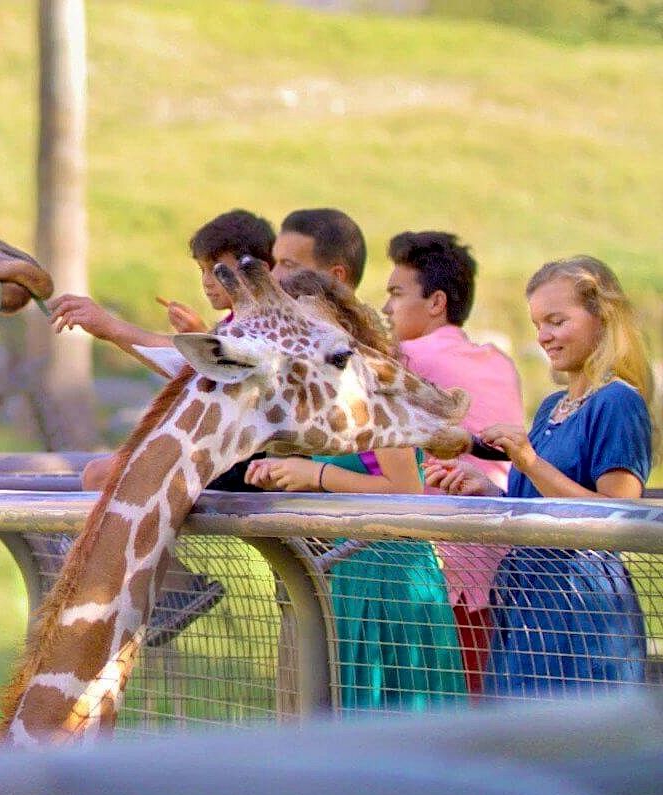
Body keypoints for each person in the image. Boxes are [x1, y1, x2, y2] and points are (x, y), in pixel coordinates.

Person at [246, 210, 467, 711]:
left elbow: (406, 490)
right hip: (343, 577)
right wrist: (278, 472)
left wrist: (316, 475)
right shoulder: (316, 394)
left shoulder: (369, 381)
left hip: (390, 580)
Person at [426, 255, 654, 697]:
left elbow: (619, 516)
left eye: (557, 321)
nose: (544, 336)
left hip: (579, 604)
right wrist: (490, 490)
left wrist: (528, 461)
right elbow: (544, 502)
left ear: (601, 317)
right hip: (526, 594)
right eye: (537, 324)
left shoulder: (618, 403)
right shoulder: (552, 406)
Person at [47, 209, 276, 647]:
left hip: (241, 458)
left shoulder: (261, 324)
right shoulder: (238, 323)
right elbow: (191, 362)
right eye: (203, 271)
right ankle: (159, 589)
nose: (208, 281)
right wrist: (194, 335)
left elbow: (191, 360)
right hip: (223, 451)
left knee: (100, 476)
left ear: (258, 270)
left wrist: (111, 327)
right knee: (103, 472)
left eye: (218, 270)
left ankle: (159, 591)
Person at [382, 231, 525, 695]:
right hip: (508, 559)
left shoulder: (405, 360)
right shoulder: (500, 362)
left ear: (436, 301)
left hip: (440, 569)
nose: (385, 308)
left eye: (396, 293)